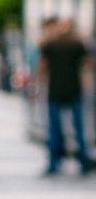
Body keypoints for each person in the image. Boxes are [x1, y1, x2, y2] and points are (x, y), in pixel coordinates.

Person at [38, 16, 93, 175]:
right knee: (79, 127)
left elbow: (42, 66)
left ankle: (54, 162)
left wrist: (39, 86)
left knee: (54, 128)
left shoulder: (50, 44)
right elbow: (86, 64)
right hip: (74, 90)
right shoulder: (77, 43)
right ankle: (83, 160)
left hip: (55, 91)